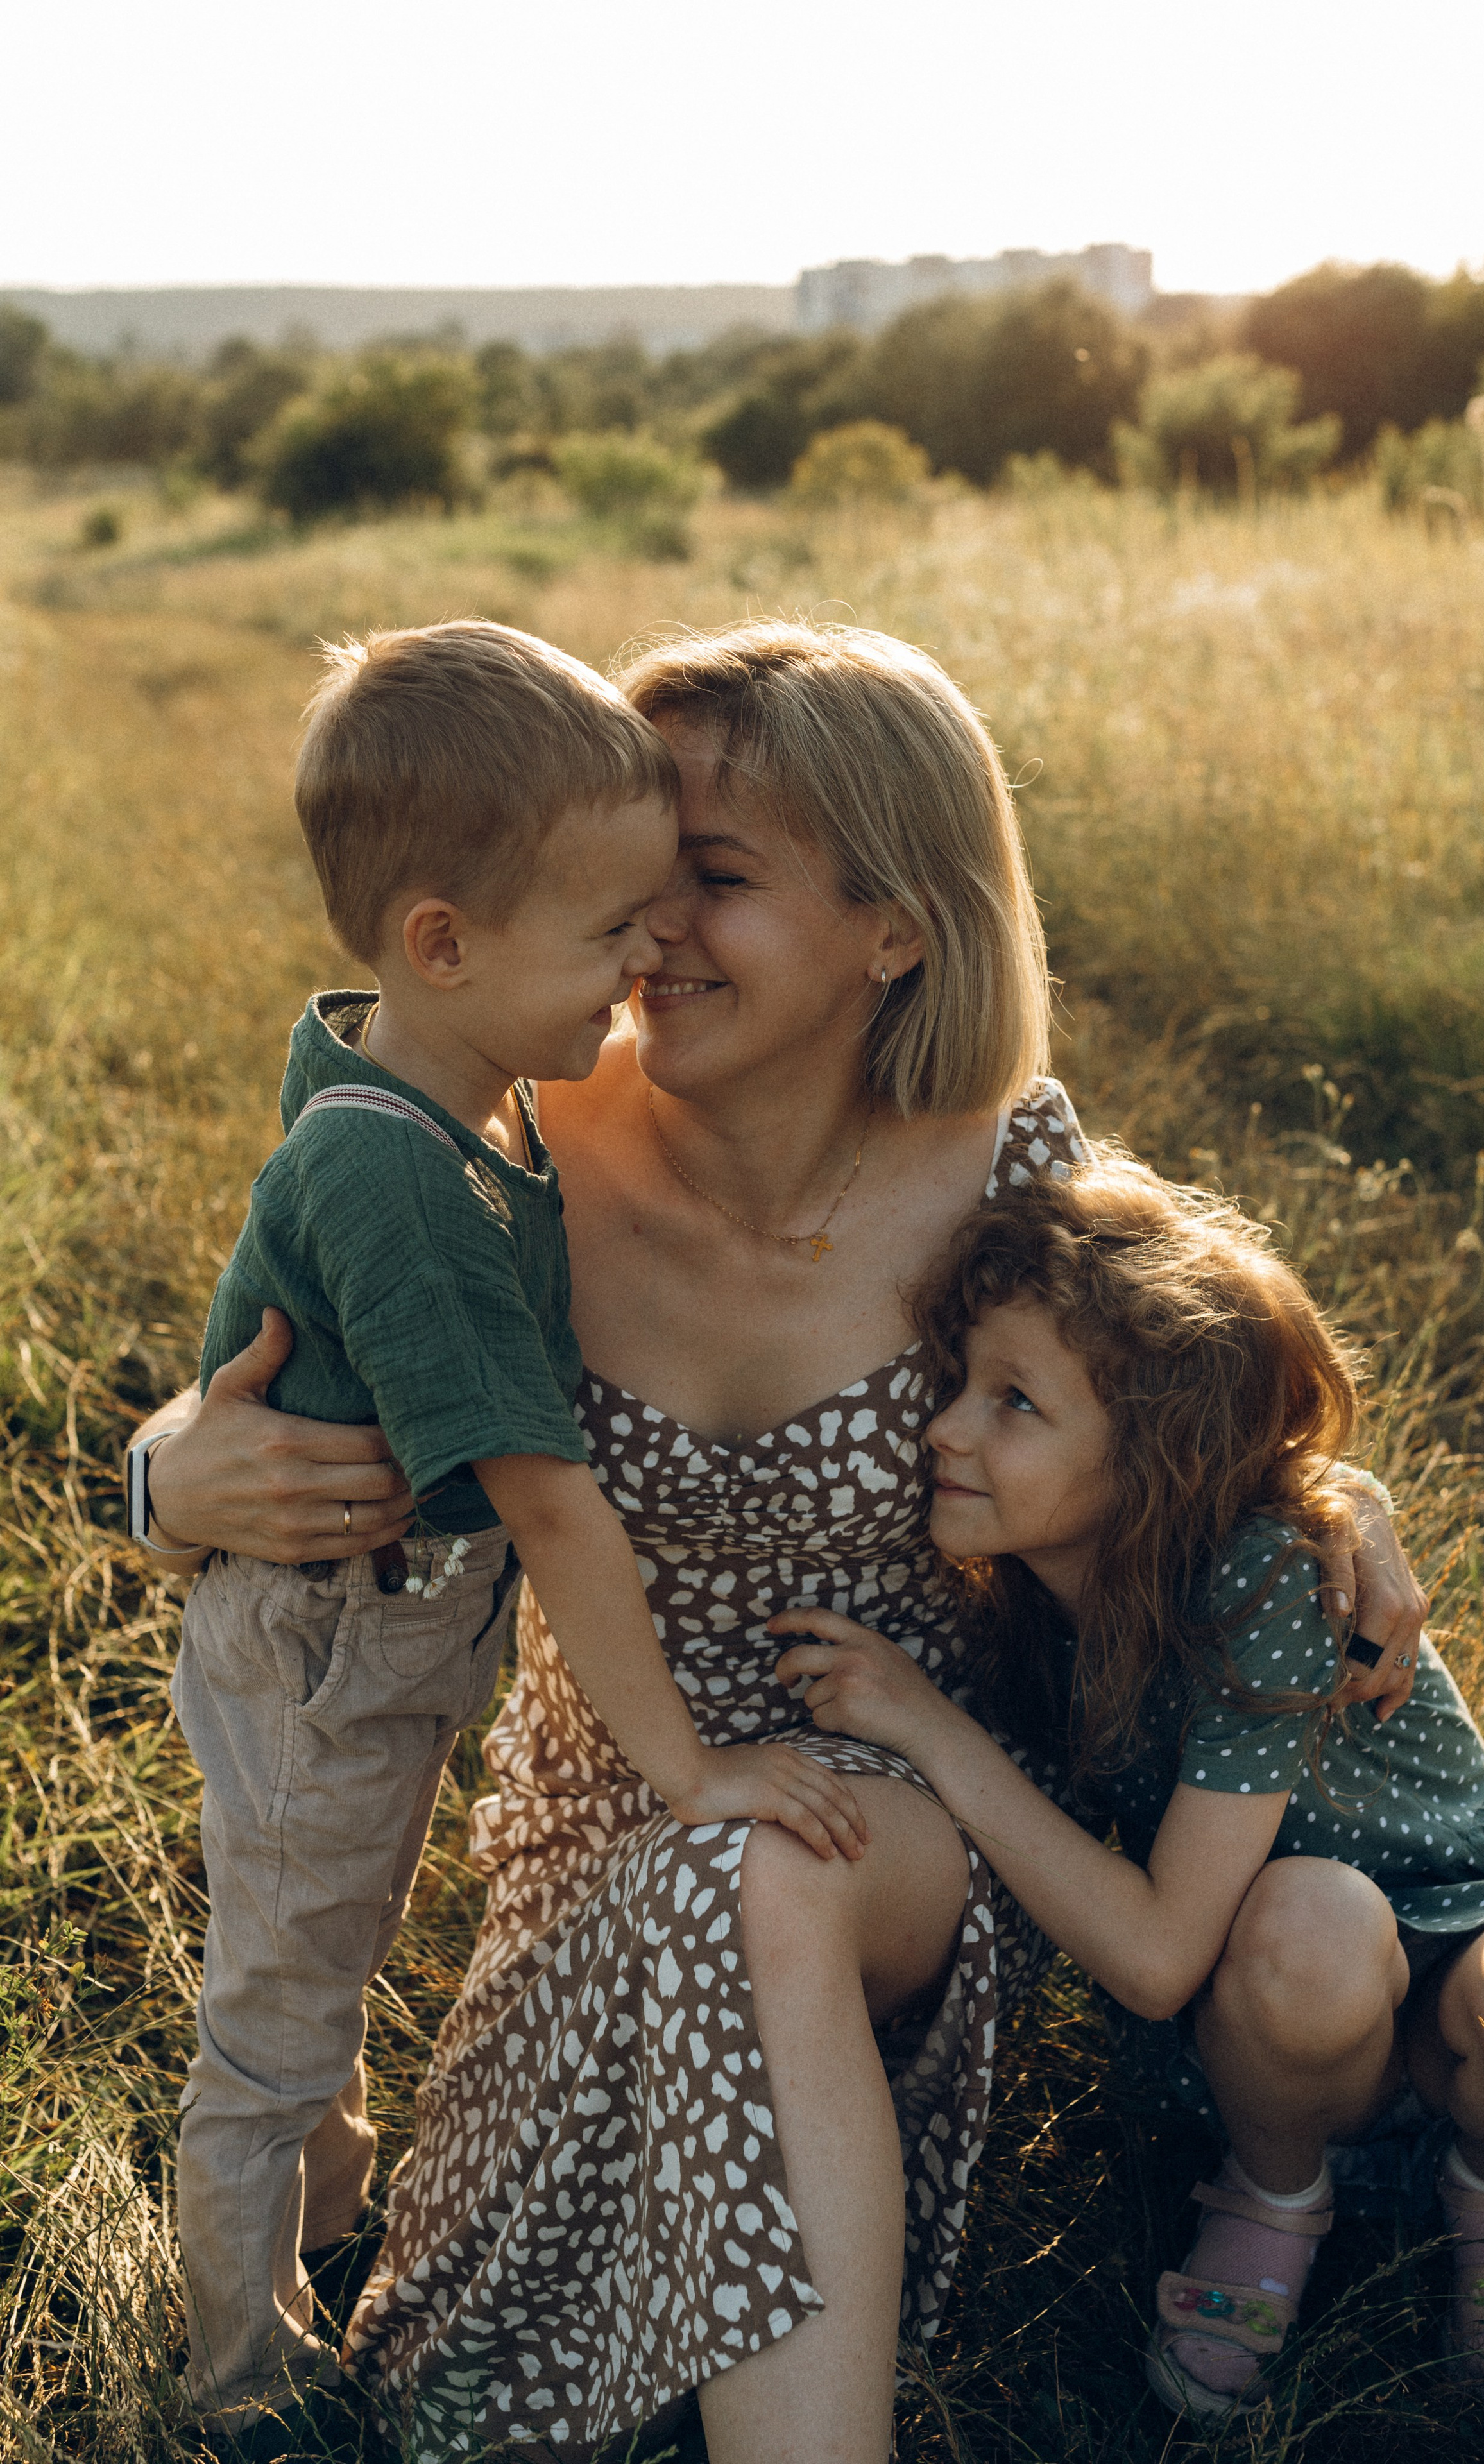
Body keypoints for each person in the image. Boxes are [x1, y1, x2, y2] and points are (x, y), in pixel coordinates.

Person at [133, 619, 1427, 2464]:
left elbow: (1213, 1405)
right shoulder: (509, 1135)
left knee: (757, 1878)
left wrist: (1340, 1510)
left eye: (713, 883)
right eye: (638, 884)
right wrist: (164, 1480)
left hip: (882, 1809)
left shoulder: (1015, 1181)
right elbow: (251, 1374)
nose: (650, 931)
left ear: (894, 924)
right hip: (590, 1830)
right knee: (448, 2379)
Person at [166, 621, 869, 2447]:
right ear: (441, 944)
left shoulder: (452, 1089)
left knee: (319, 1960)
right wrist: (693, 1767)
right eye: (612, 928)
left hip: (377, 1644)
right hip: (327, 1650)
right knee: (278, 2018)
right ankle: (241, 2376)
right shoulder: (398, 1169)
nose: (649, 959)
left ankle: (323, 2219)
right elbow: (550, 1500)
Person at [770, 1154, 1484, 2422]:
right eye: (957, 1383)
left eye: (1012, 1403)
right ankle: (1275, 2190)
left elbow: (1155, 1961)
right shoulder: (1031, 1589)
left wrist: (923, 1727)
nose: (944, 1429)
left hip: (1470, 1924)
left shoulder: (1260, 1575)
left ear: (1155, 1462)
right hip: (1288, 2003)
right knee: (1309, 1921)